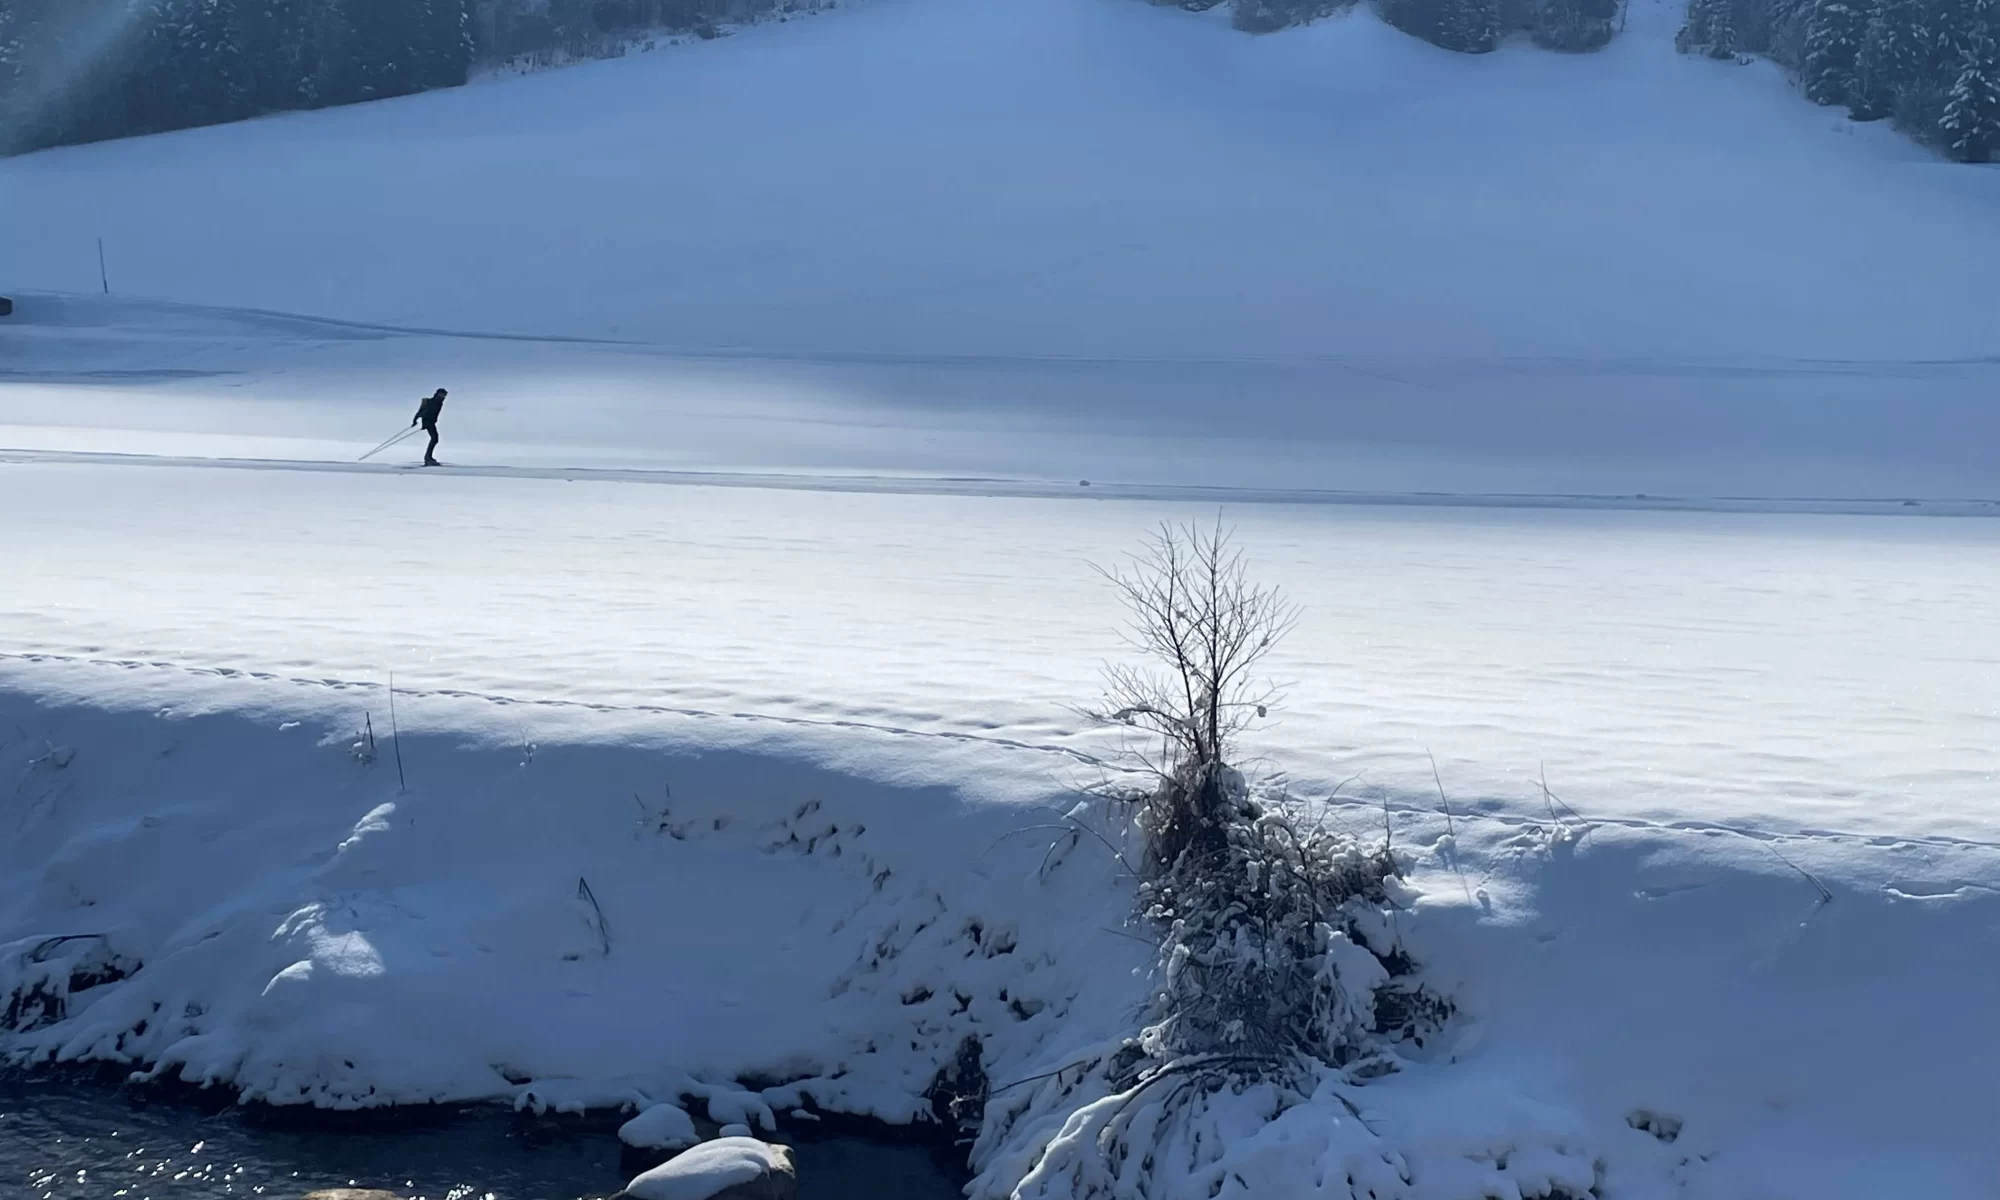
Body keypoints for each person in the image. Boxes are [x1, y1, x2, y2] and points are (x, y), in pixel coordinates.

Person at [411, 388, 447, 466]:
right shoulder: (430, 402)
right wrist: (415, 421)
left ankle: (428, 457)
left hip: (431, 422)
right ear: (437, 394)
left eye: (444, 395)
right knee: (435, 439)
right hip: (428, 422)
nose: (443, 396)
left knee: (435, 439)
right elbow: (420, 411)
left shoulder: (439, 403)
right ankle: (428, 458)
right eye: (442, 394)